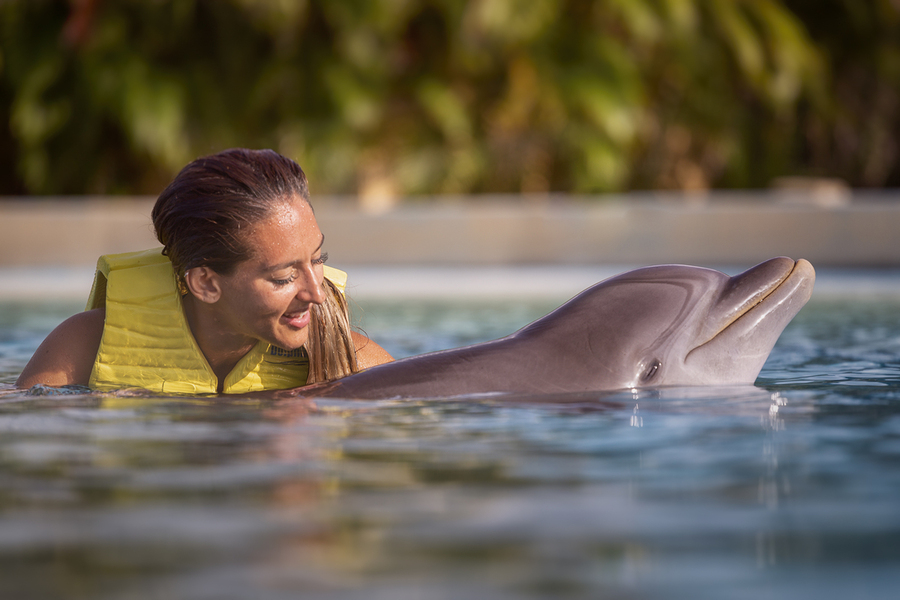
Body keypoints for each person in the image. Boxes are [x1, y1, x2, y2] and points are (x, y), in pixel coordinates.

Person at [17, 148, 393, 394]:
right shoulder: (83, 348)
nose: (317, 292)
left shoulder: (350, 360)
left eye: (317, 259)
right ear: (206, 283)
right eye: (284, 278)